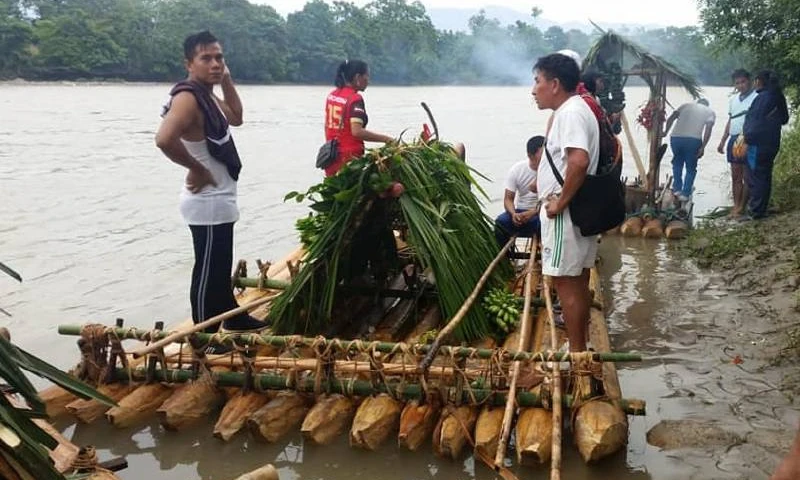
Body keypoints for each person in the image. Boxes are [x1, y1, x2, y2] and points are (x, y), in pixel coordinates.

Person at [155, 30, 265, 342]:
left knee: (220, 266)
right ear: (189, 63)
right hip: (207, 198)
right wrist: (196, 168)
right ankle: (202, 339)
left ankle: (233, 315)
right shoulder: (188, 98)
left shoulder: (208, 94)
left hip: (220, 196)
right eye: (207, 58)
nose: (215, 63)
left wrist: (226, 80)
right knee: (207, 271)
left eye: (219, 57)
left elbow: (237, 117)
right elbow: (164, 139)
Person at [532, 53, 599, 354]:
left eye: (537, 81)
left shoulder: (570, 113)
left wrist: (560, 202)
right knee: (579, 280)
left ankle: (575, 353)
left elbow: (579, 160)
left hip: (566, 214)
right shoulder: (580, 109)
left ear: (555, 84)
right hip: (582, 210)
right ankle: (580, 346)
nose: (534, 90)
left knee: (566, 284)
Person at [323, 59, 393, 176]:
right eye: (367, 76)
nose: (368, 81)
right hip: (349, 160)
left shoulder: (332, 95)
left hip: (331, 156)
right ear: (357, 77)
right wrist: (387, 139)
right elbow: (357, 132)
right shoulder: (354, 99)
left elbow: (327, 126)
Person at [742, 69, 789, 219]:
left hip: (758, 144)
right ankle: (761, 209)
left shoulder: (762, 98)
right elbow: (784, 119)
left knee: (756, 177)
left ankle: (755, 212)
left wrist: (746, 139)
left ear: (760, 81)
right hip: (772, 143)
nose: (755, 83)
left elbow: (754, 122)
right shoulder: (778, 96)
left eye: (756, 80)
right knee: (765, 175)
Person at [717, 69, 758, 217]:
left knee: (747, 175)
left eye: (743, 82)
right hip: (734, 139)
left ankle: (742, 206)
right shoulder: (733, 100)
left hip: (747, 138)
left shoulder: (756, 97)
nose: (740, 85)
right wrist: (723, 140)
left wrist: (749, 139)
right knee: (735, 175)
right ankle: (736, 205)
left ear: (750, 81)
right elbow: (731, 120)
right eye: (737, 83)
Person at [494, 135, 544, 247]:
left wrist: (533, 212)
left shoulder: (550, 171)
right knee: (500, 223)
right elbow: (508, 199)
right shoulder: (517, 170)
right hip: (520, 212)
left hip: (540, 213)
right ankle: (505, 257)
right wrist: (514, 214)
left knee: (546, 223)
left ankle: (543, 253)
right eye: (542, 157)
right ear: (530, 156)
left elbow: (552, 200)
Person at [663, 98, 716, 201]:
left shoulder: (685, 105)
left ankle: (677, 189)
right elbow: (708, 129)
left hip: (676, 137)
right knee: (690, 168)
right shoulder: (710, 112)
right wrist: (703, 147)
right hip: (693, 140)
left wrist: (665, 132)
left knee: (677, 163)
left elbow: (671, 118)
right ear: (707, 105)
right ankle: (685, 193)